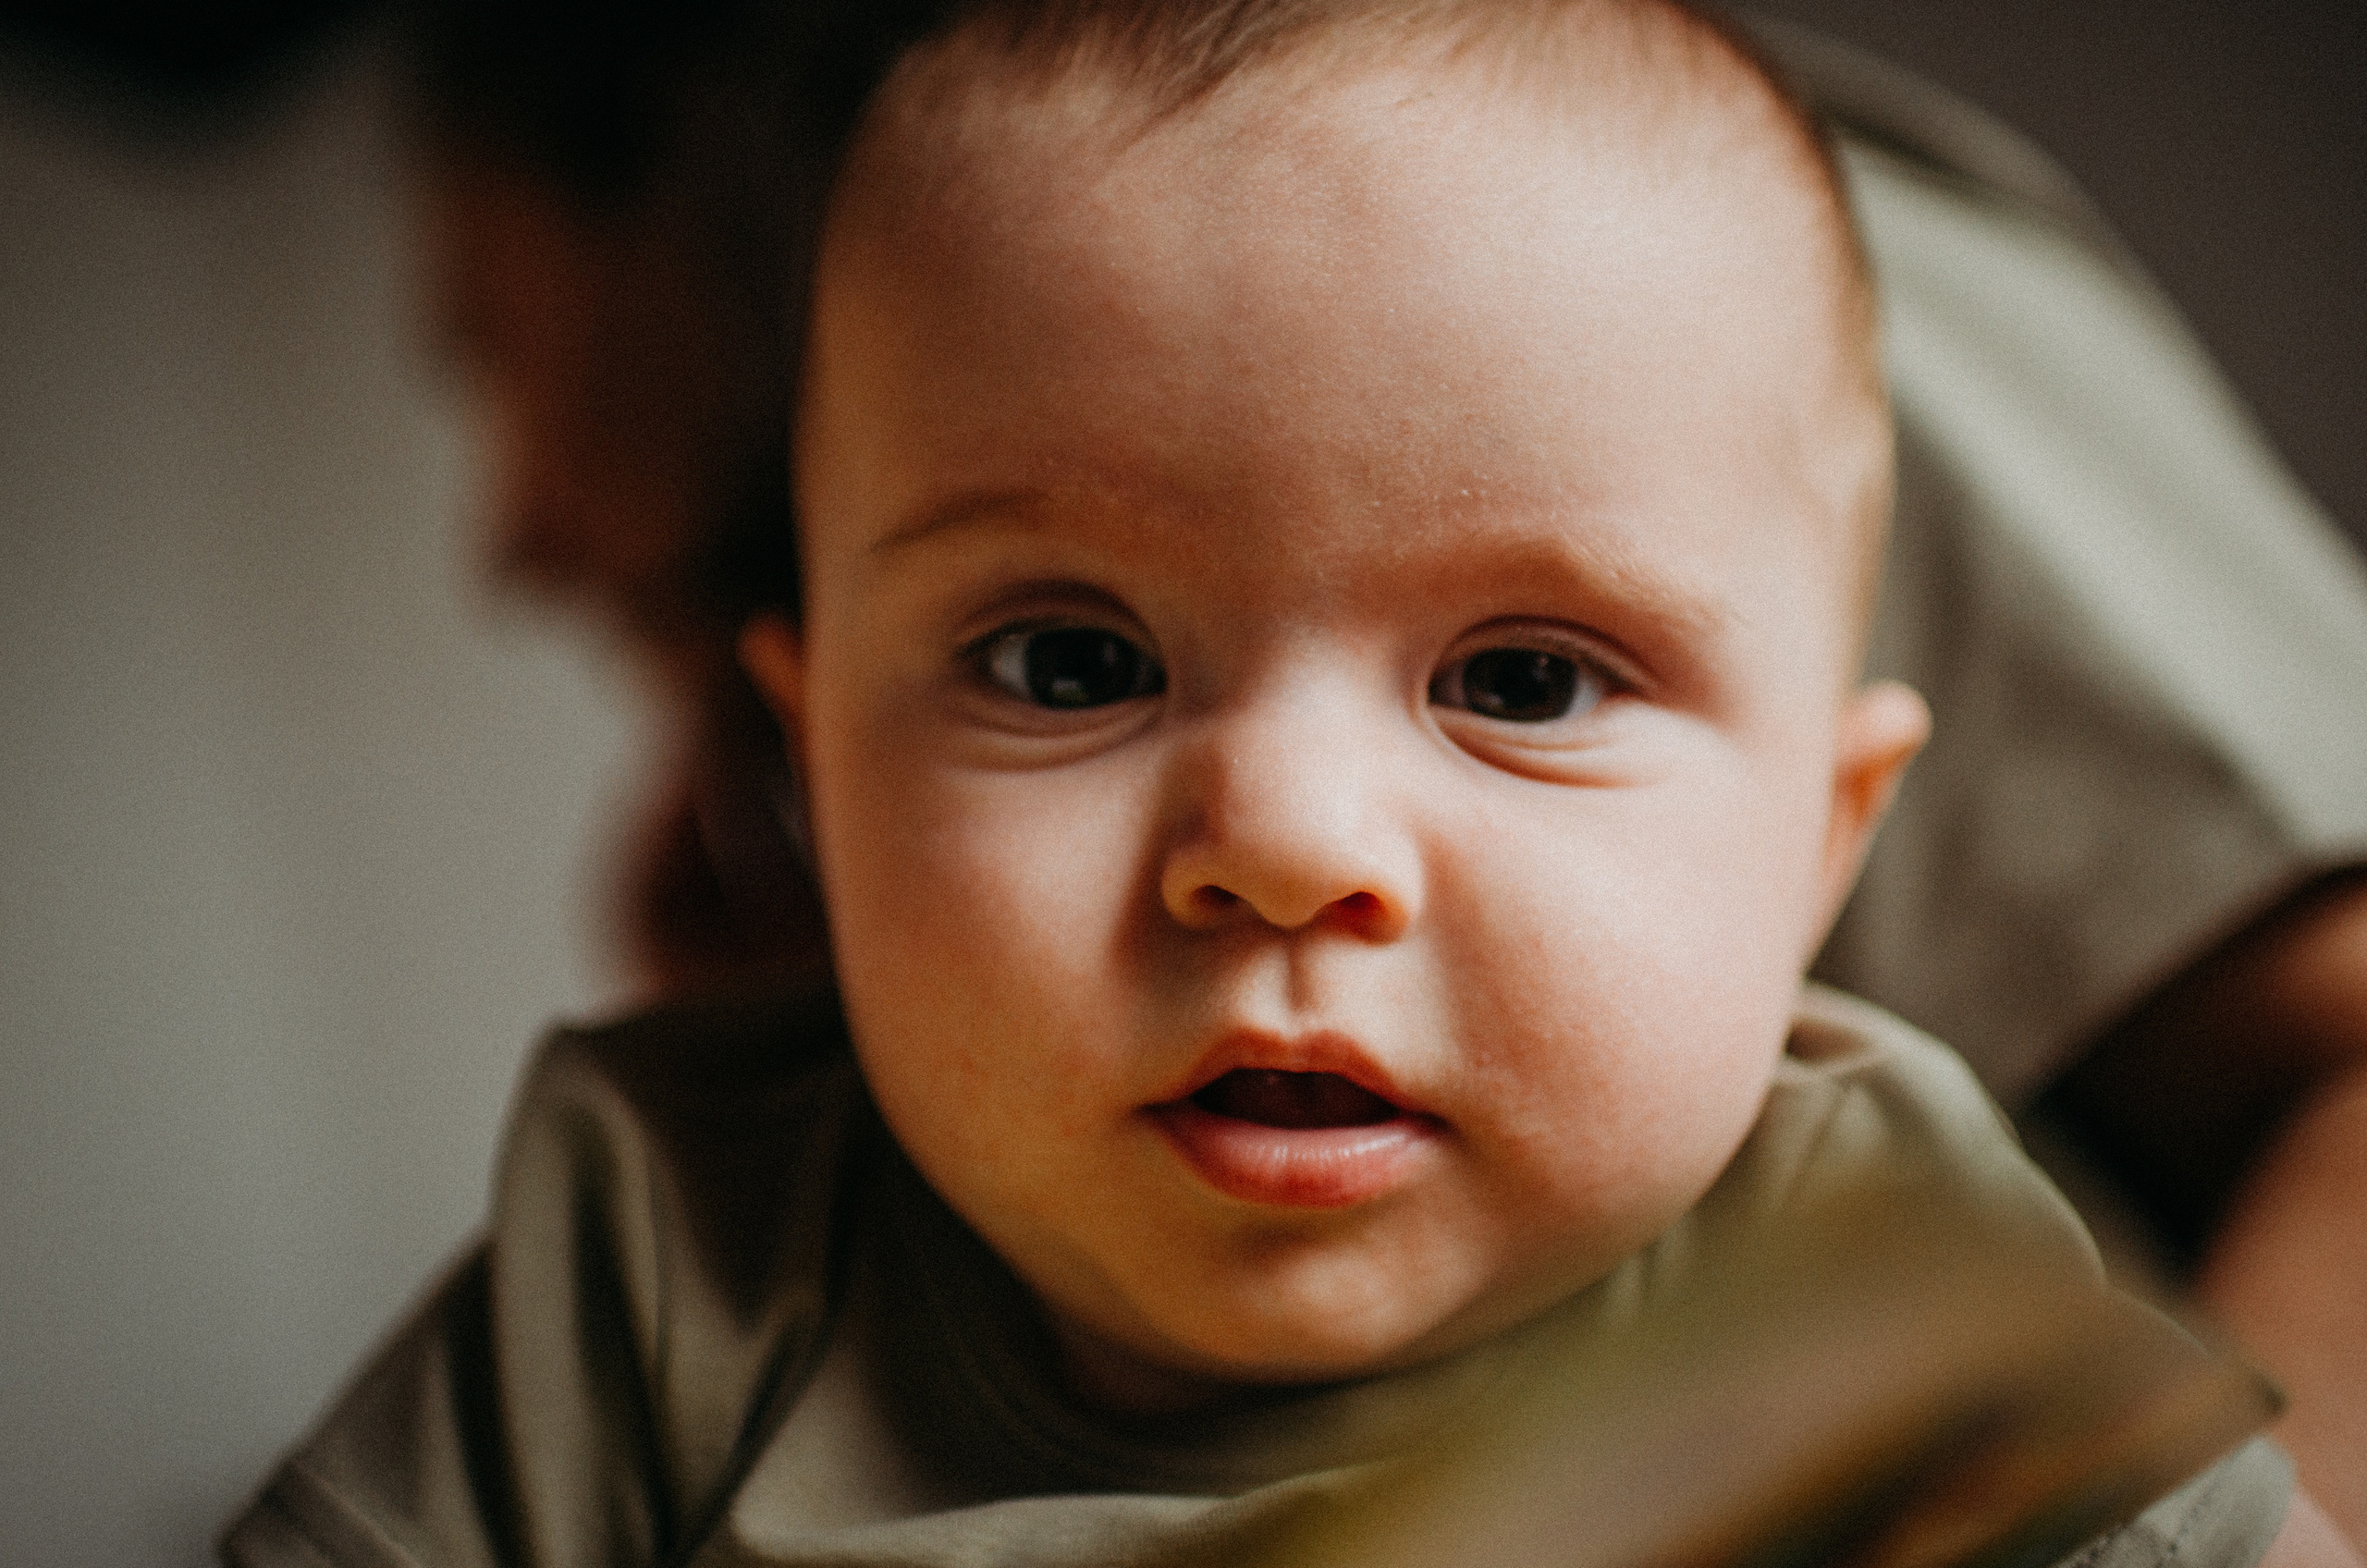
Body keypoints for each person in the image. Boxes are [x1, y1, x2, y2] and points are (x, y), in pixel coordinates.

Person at [221, 2, 2357, 1562]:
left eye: (1521, 676)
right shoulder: (660, 1254)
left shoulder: (1863, 1260)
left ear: (1826, 835)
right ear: (813, 757)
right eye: (1068, 663)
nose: (1281, 850)